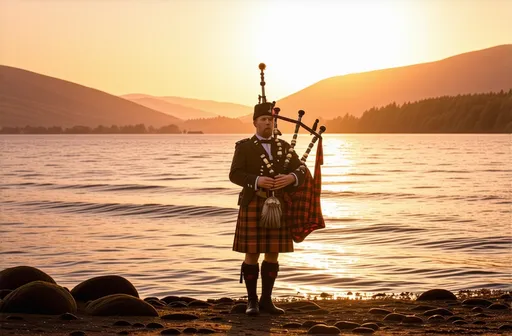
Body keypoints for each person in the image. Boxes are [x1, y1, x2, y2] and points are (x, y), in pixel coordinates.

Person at [229, 101, 306, 316]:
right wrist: (256, 180)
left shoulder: (283, 147)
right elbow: (234, 174)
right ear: (255, 122)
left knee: (273, 252)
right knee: (251, 252)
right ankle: (251, 302)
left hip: (277, 205)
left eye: (270, 120)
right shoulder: (244, 146)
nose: (267, 123)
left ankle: (266, 301)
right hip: (254, 202)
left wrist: (290, 178)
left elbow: (302, 170)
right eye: (263, 120)